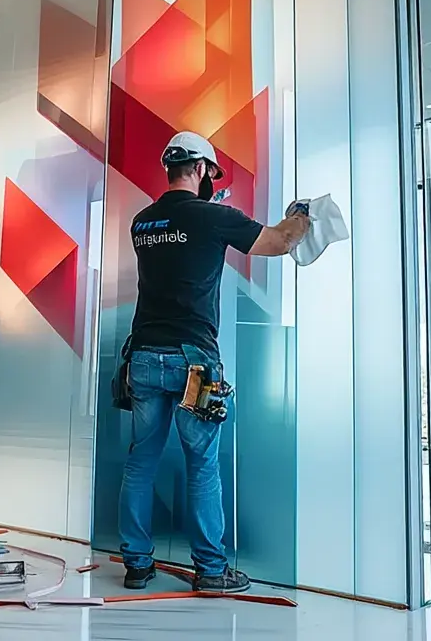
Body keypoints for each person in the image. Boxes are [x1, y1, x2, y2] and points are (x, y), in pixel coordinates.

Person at [118, 131, 311, 592]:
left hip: (144, 356)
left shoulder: (142, 223)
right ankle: (209, 570)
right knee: (201, 464)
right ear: (203, 170)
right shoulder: (215, 217)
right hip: (194, 363)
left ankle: (137, 566)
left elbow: (180, 238)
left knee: (140, 463)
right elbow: (281, 242)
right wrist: (302, 214)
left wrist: (213, 216)